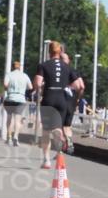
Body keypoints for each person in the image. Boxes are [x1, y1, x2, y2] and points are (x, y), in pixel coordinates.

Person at [33, 41, 83, 169]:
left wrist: (39, 90)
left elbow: (38, 83)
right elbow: (78, 85)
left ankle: (46, 160)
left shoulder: (43, 65)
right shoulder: (67, 67)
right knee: (59, 127)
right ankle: (59, 137)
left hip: (49, 97)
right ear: (60, 52)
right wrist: (68, 88)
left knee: (45, 131)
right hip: (62, 99)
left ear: (49, 52)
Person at [60, 51, 85, 154]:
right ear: (69, 61)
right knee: (67, 125)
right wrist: (77, 98)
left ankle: (61, 146)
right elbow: (82, 86)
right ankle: (69, 143)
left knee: (59, 125)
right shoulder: (74, 71)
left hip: (61, 98)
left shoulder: (59, 72)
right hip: (72, 100)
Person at [3, 61, 32, 146]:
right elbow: (30, 87)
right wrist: (23, 88)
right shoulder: (25, 75)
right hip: (21, 98)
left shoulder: (9, 75)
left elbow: (5, 85)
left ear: (12, 67)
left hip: (10, 98)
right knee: (17, 119)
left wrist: (8, 89)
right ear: (20, 67)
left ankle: (9, 137)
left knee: (9, 118)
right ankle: (16, 137)